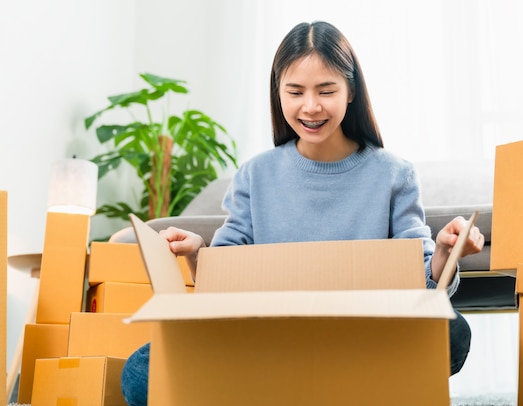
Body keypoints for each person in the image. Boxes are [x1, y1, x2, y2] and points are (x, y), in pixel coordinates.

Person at [121, 20, 485, 406]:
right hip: (270, 339)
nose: (310, 107)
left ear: (350, 92)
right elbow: (221, 286)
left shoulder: (394, 174)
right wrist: (197, 252)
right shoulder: (255, 175)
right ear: (278, 93)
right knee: (140, 373)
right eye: (295, 92)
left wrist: (446, 253)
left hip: (361, 337)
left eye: (326, 90)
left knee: (452, 332)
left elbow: (422, 288)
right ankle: (321, 389)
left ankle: (290, 390)